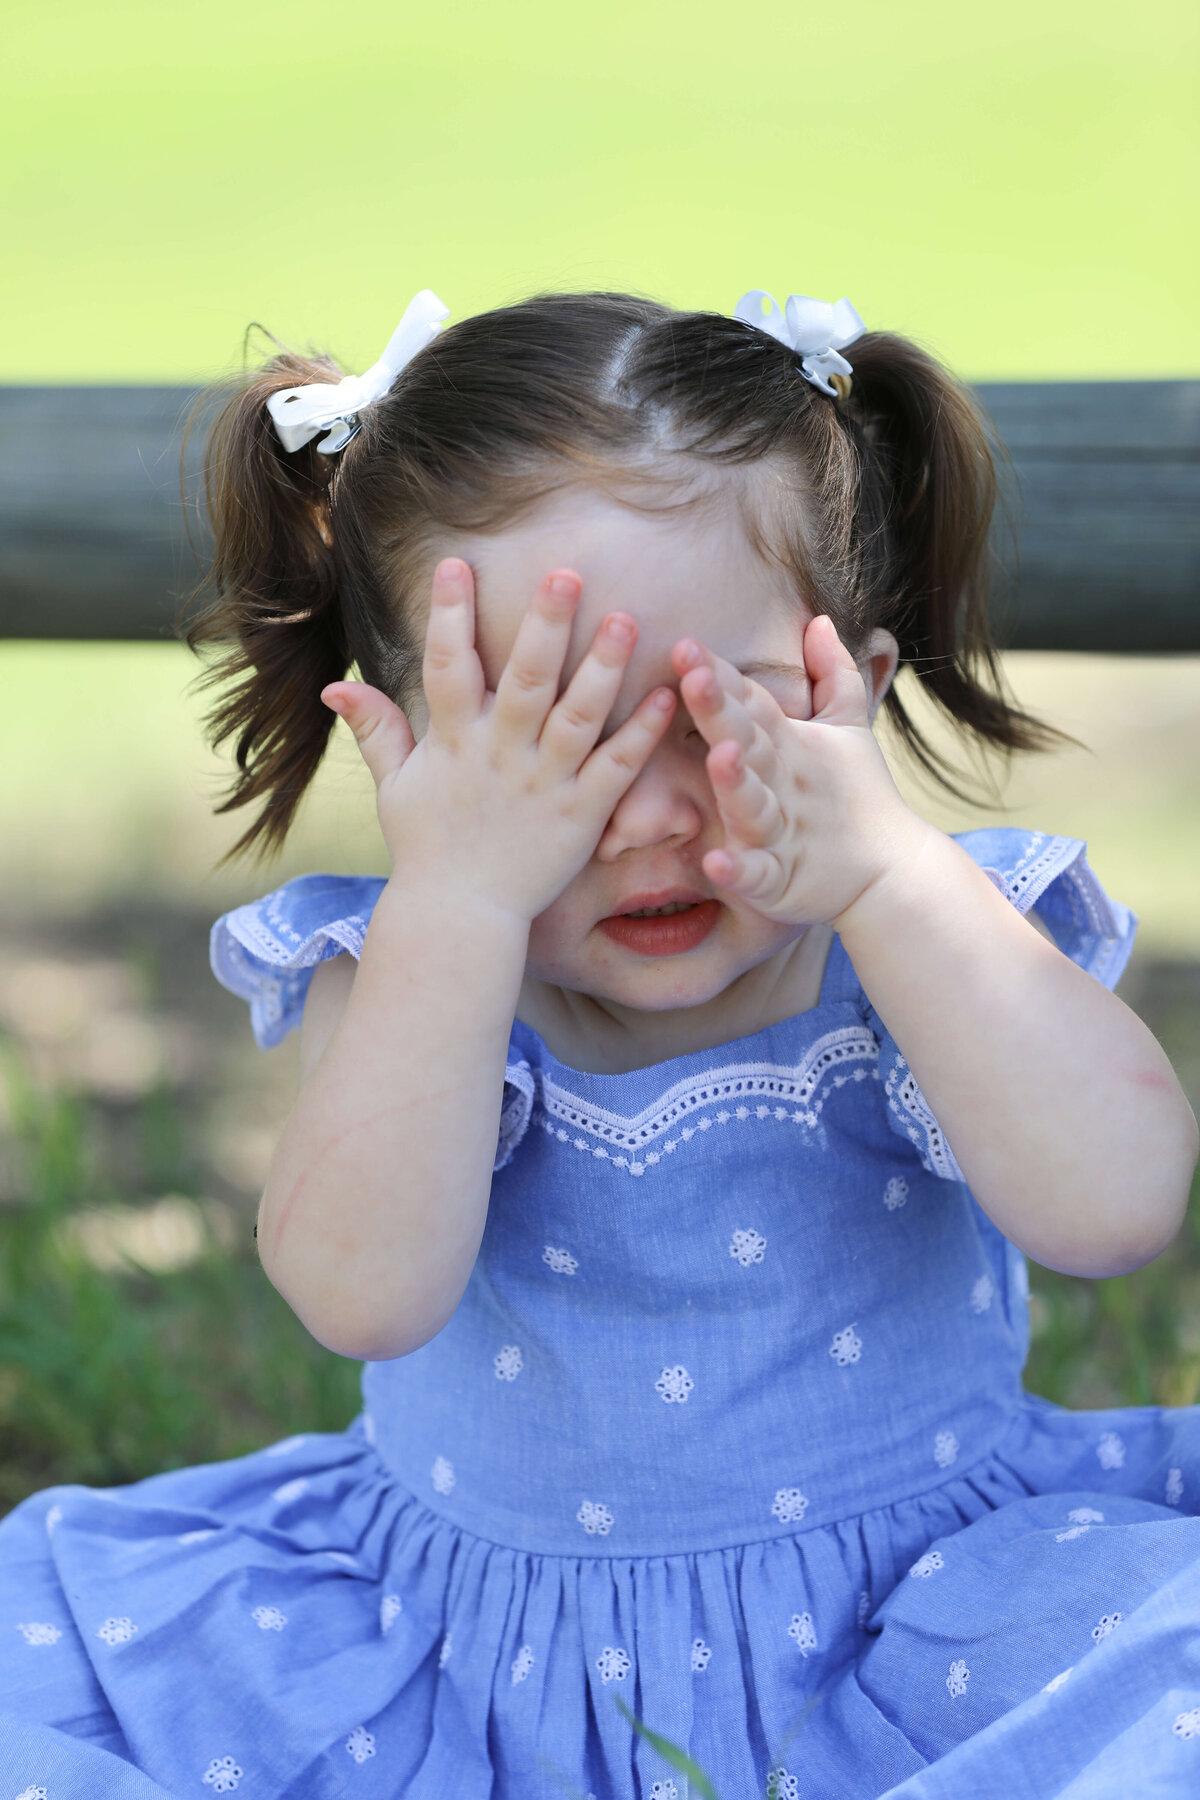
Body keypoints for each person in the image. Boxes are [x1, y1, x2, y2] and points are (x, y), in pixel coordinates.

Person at [2, 286, 1198, 1800]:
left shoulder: (919, 938)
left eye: (718, 721)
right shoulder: (408, 974)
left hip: (940, 1630)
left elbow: (1117, 1207)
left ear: (853, 697)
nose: (644, 818)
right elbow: (361, 1295)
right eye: (545, 747)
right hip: (466, 1665)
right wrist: (461, 899)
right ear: (404, 747)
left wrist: (892, 869)